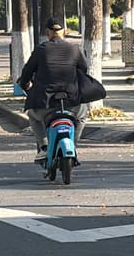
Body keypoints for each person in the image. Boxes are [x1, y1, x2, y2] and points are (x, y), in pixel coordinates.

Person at [18, 16, 88, 162]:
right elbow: (84, 71)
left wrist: (25, 85)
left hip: (45, 104)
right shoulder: (74, 49)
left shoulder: (41, 50)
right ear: (65, 31)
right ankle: (73, 144)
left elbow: (26, 72)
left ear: (47, 32)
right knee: (82, 116)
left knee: (32, 115)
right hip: (72, 103)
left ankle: (43, 147)